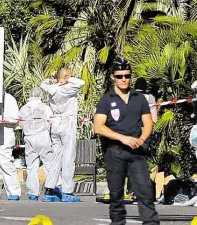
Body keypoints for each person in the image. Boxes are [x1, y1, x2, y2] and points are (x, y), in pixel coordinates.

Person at [93, 58, 159, 225]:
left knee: (144, 192)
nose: (124, 79)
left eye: (127, 76)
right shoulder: (107, 99)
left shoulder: (140, 98)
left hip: (137, 152)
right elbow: (98, 127)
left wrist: (141, 139)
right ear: (112, 77)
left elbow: (148, 123)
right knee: (116, 196)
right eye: (120, 76)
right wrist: (123, 138)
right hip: (114, 151)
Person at [40, 67, 85, 202]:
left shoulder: (51, 89)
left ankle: (49, 188)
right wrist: (67, 79)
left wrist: (54, 80)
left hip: (55, 123)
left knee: (56, 157)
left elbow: (42, 84)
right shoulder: (66, 89)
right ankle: (67, 190)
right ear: (65, 77)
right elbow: (81, 83)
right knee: (68, 157)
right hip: (67, 122)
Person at [19, 87, 54, 201]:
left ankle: (33, 192)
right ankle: (52, 188)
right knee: (49, 163)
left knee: (31, 166)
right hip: (43, 136)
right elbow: (51, 121)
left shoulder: (24, 109)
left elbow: (21, 124)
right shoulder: (45, 108)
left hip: (29, 138)